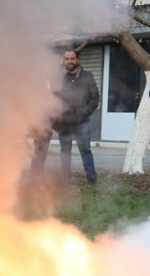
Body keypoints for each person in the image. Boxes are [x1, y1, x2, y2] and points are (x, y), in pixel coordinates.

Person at [31, 49, 100, 185]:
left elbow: (95, 99)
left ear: (78, 60)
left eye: (72, 59)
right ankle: (66, 180)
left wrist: (83, 113)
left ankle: (92, 180)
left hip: (82, 121)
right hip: (64, 121)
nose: (69, 61)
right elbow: (54, 100)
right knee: (65, 152)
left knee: (85, 149)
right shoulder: (59, 79)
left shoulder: (88, 76)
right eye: (67, 59)